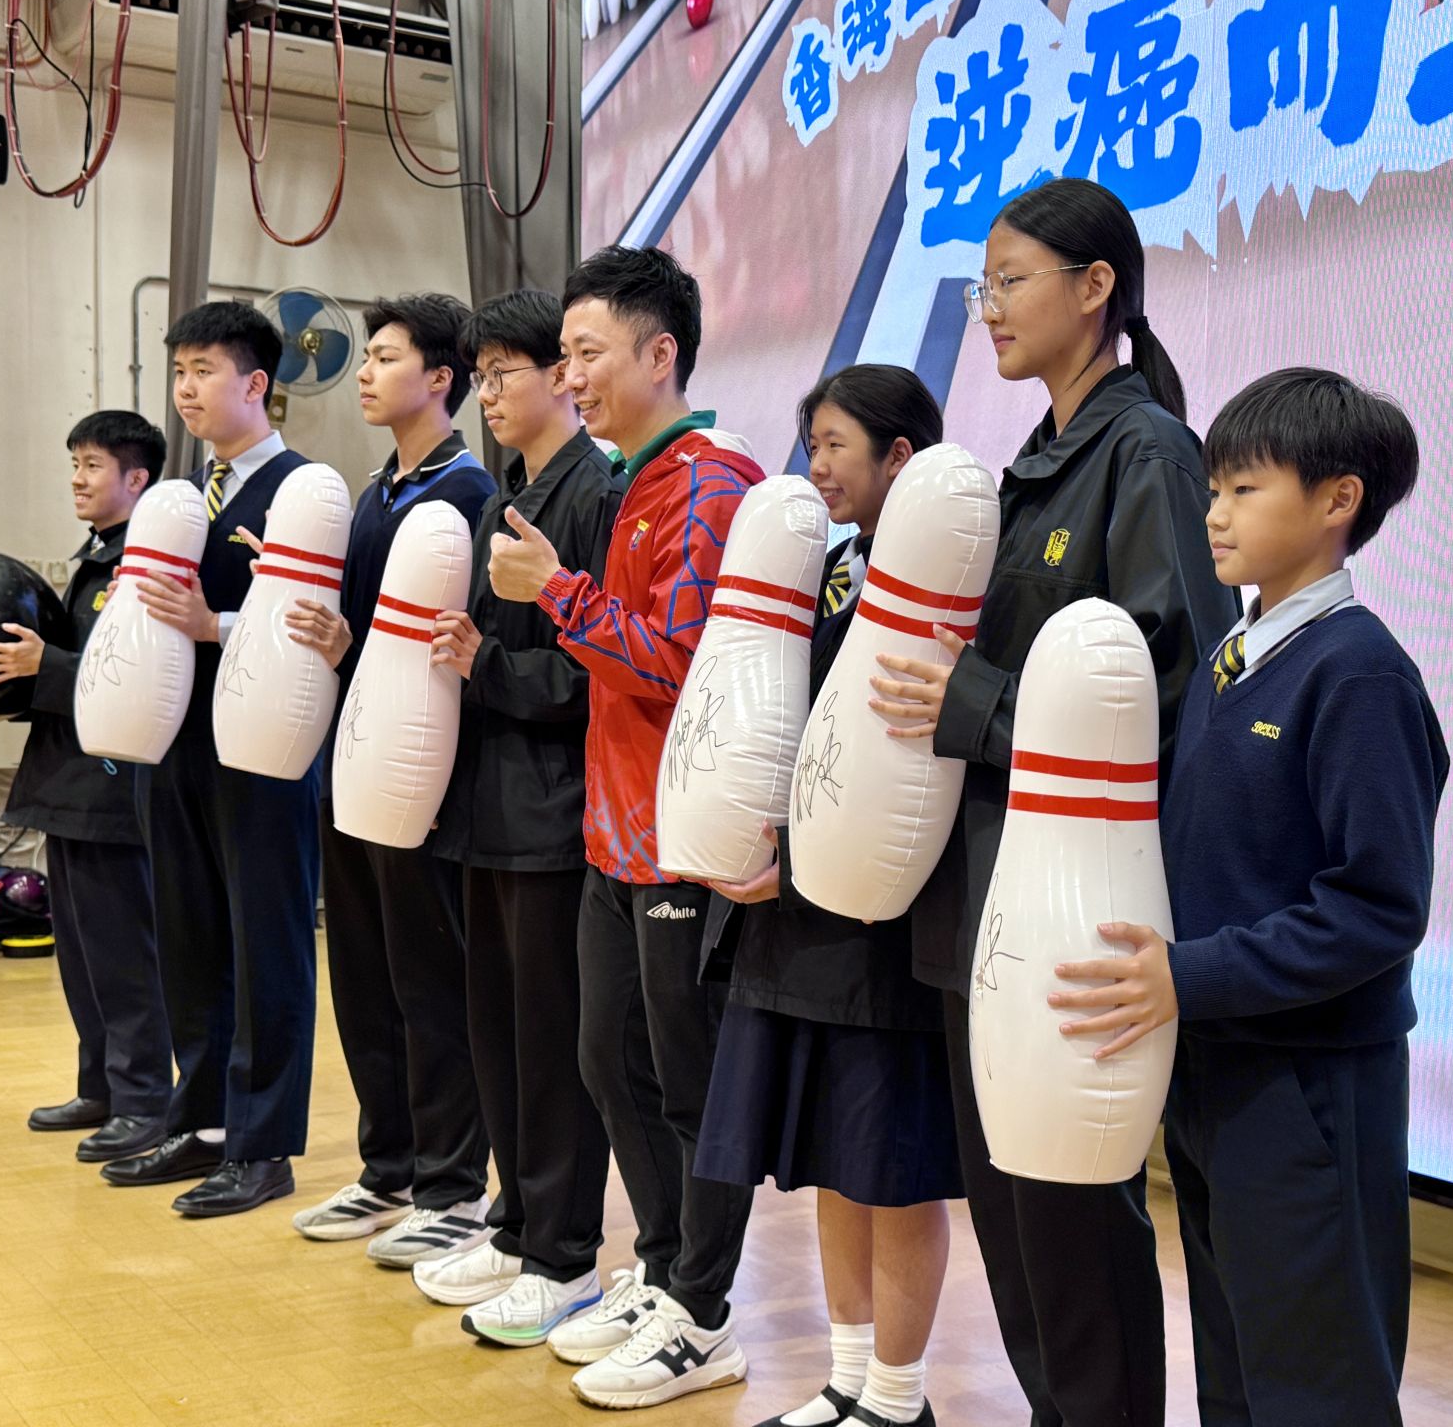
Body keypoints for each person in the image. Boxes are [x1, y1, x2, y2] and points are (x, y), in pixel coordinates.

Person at [875, 177, 1239, 1426]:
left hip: (1073, 908)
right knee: (1014, 1220)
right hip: (984, 895)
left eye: (1010, 279)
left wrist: (970, 699)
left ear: (1096, 289)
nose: (987, 306)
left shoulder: (1147, 454)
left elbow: (1167, 693)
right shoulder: (1031, 463)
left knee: (1072, 1228)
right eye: (982, 283)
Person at [1059, 367, 1447, 1425]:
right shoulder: (1235, 657)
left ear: (1337, 501)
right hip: (1217, 1071)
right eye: (1213, 489)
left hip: (1308, 1087)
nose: (1215, 514)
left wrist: (1187, 976)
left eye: (1244, 489)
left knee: (1315, 1383)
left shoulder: (1358, 673)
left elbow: (1378, 908)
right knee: (1235, 1373)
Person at [486, 245, 763, 1411]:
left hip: (681, 840)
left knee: (687, 1083)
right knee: (610, 1060)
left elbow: (684, 664)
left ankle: (706, 1312)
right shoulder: (633, 479)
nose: (571, 376)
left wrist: (556, 591)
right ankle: (660, 1269)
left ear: (661, 354)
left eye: (586, 353)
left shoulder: (710, 484)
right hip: (616, 831)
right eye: (563, 356)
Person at [697, 366, 960, 1427]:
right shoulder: (830, 568)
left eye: (835, 445)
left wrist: (811, 861)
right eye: (810, 445)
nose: (816, 467)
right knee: (831, 1161)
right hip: (792, 910)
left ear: (902, 457)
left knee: (891, 1165)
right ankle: (849, 1378)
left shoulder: (947, 582)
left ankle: (898, 1396)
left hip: (882, 916)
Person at [414, 289, 623, 1333]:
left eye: (505, 373)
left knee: (552, 1042)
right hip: (487, 809)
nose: (489, 393)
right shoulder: (505, 496)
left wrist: (485, 664)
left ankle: (566, 1251)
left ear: (561, 378)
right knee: (494, 1031)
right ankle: (515, 1223)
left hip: (554, 813)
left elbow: (598, 672)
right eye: (482, 375)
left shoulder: (597, 494)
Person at [280, 295, 495, 1264]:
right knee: (364, 977)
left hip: (420, 776)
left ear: (441, 379)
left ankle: (453, 1185)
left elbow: (442, 652)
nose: (363, 373)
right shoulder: (376, 493)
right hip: (351, 762)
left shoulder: (466, 497)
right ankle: (388, 1166)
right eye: (365, 357)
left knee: (429, 981)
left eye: (384, 357)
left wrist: (353, 644)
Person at [101, 301, 322, 1218]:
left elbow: (318, 627)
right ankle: (202, 1122)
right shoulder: (181, 497)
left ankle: (264, 1145)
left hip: (264, 748)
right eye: (178, 372)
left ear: (255, 383)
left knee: (266, 942)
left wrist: (217, 625)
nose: (185, 390)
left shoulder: (306, 493)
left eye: (203, 371)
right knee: (188, 938)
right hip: (176, 740)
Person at [0, 410, 172, 1164]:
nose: (78, 480)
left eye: (92, 466)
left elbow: (140, 673)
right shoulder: (97, 554)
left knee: (124, 955)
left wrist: (44, 667)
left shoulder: (148, 562)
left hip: (113, 788)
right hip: (69, 781)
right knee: (81, 956)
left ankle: (144, 1100)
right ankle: (102, 1086)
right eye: (75, 465)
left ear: (136, 479)